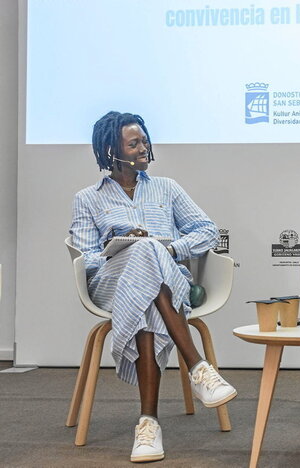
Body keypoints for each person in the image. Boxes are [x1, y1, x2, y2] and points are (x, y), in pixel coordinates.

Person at [69, 111, 237, 463]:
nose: (144, 148)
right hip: (111, 286)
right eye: (134, 144)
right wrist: (119, 246)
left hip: (164, 283)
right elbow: (88, 260)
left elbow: (206, 230)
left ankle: (148, 423)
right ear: (112, 151)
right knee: (142, 253)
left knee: (147, 275)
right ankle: (198, 367)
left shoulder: (167, 188)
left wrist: (170, 250)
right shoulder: (88, 198)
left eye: (145, 140)